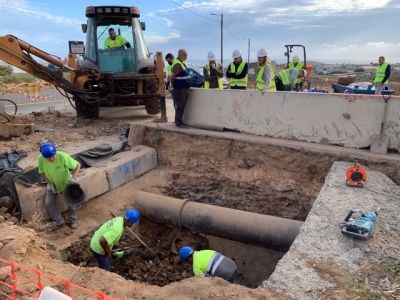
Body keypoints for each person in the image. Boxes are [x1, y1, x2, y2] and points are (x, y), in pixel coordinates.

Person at [37, 142, 81, 232]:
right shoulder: (41, 159)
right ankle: (59, 221)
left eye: (53, 156)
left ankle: (72, 220)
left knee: (71, 200)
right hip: (52, 184)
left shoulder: (62, 156)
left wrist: (73, 178)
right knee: (49, 203)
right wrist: (48, 182)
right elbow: (42, 172)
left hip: (66, 183)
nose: (52, 159)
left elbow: (78, 165)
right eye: (49, 158)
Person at [170, 49, 192, 129]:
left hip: (182, 88)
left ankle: (178, 121)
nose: (186, 57)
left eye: (186, 55)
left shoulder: (181, 63)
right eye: (185, 55)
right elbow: (172, 76)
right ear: (180, 55)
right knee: (180, 105)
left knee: (181, 105)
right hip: (179, 89)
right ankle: (179, 123)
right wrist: (173, 85)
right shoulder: (177, 64)